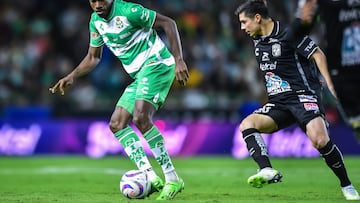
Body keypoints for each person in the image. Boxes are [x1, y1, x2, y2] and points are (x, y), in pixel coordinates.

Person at [49, 0, 189, 200]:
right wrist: (72, 76)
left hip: (157, 63)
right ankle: (150, 176)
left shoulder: (130, 11)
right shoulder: (95, 21)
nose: (98, 4)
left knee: (141, 117)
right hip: (140, 74)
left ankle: (172, 178)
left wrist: (179, 60)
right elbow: (93, 57)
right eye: (93, 0)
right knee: (117, 123)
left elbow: (169, 23)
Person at [234, 0, 360, 200]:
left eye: (244, 22)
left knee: (320, 141)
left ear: (257, 18)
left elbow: (318, 54)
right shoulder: (258, 38)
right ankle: (266, 169)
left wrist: (331, 85)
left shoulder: (289, 34)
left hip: (303, 96)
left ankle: (347, 185)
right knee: (247, 124)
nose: (242, 28)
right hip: (278, 103)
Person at [297, 0, 360, 131]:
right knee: (356, 122)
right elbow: (303, 25)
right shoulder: (323, 5)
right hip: (341, 74)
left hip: (342, 72)